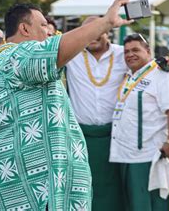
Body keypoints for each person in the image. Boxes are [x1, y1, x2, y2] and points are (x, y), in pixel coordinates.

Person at [0, 0, 132, 210]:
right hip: (34, 192)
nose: (50, 31)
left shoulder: (7, 61)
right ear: (24, 28)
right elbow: (55, 51)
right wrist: (106, 22)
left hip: (32, 189)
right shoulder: (16, 56)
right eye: (43, 25)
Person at [109, 34, 169, 211]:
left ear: (148, 51)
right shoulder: (128, 77)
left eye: (135, 50)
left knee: (149, 204)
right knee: (132, 204)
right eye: (126, 52)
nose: (130, 55)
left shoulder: (162, 76)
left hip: (148, 153)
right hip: (124, 152)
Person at [65, 16, 127, 210]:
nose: (92, 36)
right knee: (83, 187)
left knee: (114, 189)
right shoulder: (71, 55)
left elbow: (146, 68)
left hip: (115, 136)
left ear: (107, 31)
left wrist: (165, 65)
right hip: (81, 138)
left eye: (97, 30)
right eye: (88, 31)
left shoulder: (124, 54)